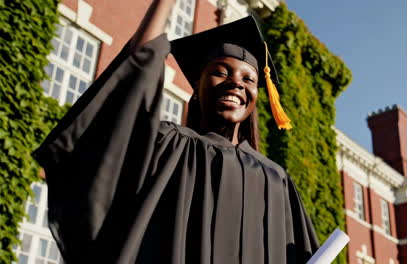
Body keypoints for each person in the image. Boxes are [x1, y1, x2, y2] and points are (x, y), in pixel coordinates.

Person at [33, 0, 319, 263]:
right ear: (197, 90)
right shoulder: (169, 146)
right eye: (221, 72)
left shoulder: (277, 180)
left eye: (249, 79)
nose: (236, 84)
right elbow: (130, 94)